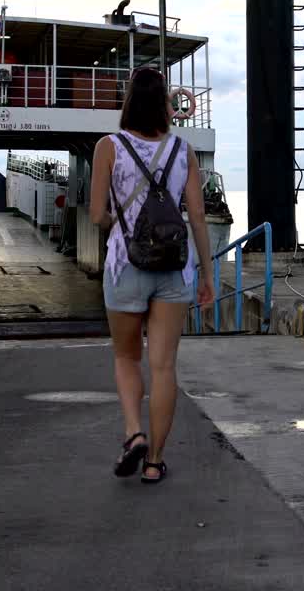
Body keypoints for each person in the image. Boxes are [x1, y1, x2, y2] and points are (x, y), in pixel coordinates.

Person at [91, 66, 215, 485]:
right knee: (164, 367)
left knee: (127, 357)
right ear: (166, 104)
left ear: (129, 102)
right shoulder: (184, 150)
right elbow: (197, 217)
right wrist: (207, 275)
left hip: (125, 266)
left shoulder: (108, 147)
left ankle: (134, 433)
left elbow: (95, 215)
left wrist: (121, 219)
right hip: (175, 270)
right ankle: (155, 462)